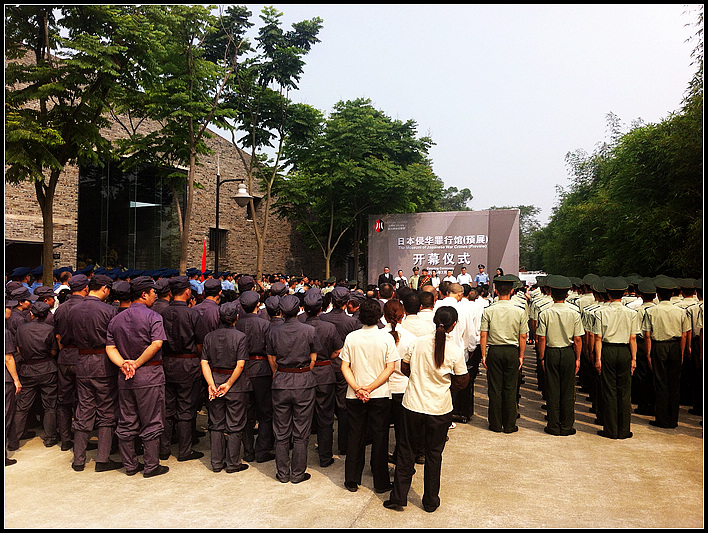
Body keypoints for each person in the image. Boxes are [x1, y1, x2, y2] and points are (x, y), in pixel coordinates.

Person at [384, 306, 469, 513]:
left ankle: (398, 497)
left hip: (412, 404)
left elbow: (405, 367)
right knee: (434, 454)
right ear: (454, 325)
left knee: (406, 450)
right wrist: (444, 385)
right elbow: (462, 381)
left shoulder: (417, 343)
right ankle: (430, 500)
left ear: (434, 321)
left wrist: (417, 378)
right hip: (439, 408)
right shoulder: (455, 351)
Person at [106, 276, 169, 478]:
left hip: (125, 376)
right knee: (151, 420)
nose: (155, 297)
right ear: (144, 294)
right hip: (149, 375)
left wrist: (124, 364)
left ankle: (130, 465)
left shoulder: (116, 319)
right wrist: (138, 363)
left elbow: (110, 347)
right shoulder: (153, 317)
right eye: (153, 293)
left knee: (127, 420)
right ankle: (151, 466)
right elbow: (157, 344)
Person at [340, 298, 399, 494]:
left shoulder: (352, 337)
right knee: (380, 437)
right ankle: (380, 481)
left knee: (355, 435)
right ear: (379, 316)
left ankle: (352, 479)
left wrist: (358, 388)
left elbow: (344, 366)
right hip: (380, 394)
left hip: (354, 395)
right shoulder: (386, 338)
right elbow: (390, 368)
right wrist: (371, 388)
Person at [67, 274, 123, 472]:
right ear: (105, 289)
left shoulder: (72, 310)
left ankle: (78, 459)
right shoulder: (109, 310)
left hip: (81, 360)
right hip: (103, 362)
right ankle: (102, 458)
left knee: (83, 408)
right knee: (107, 410)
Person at [266, 295, 319, 484]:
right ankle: (297, 473)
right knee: (301, 430)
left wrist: (278, 372)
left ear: (280, 311)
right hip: (303, 380)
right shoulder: (309, 330)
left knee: (280, 430)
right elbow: (313, 357)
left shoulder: (273, 331)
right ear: (299, 310)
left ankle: (282, 473)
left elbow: (271, 358)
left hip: (281, 380)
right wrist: (304, 370)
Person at [200, 301, 251, 473]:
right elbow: (240, 364)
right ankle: (233, 463)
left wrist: (211, 384)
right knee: (235, 424)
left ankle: (216, 462)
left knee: (216, 423)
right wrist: (228, 383)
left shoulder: (209, 336)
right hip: (235, 385)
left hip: (215, 380)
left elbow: (204, 362)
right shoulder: (240, 337)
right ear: (236, 317)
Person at [158, 276, 204, 462]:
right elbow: (200, 344)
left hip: (168, 362)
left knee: (168, 408)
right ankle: (185, 450)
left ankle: (164, 448)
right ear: (187, 292)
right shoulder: (193, 315)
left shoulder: (162, 313)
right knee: (186, 407)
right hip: (188, 363)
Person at [593, 277, 641, 439]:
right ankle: (624, 429)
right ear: (624, 293)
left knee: (609, 391)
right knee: (625, 390)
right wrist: (634, 358)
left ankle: (611, 429)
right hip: (625, 351)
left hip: (608, 350)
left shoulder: (601, 312)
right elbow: (633, 338)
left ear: (607, 293)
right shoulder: (631, 313)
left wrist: (598, 359)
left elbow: (598, 338)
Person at [536, 275, 584, 436]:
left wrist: (542, 357)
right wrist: (578, 358)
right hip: (568, 352)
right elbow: (577, 339)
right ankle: (567, 425)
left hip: (552, 352)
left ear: (550, 293)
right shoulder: (574, 313)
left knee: (553, 389)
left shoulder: (545, 313)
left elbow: (541, 338)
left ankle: (553, 425)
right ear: (567, 294)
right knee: (568, 390)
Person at [480, 274, 529, 433]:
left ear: (495, 289)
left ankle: (495, 423)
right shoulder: (519, 310)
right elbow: (523, 336)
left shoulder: (488, 310)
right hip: (512, 351)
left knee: (494, 388)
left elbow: (483, 334)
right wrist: (521, 355)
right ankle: (509, 425)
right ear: (513, 290)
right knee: (510, 388)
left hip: (494, 350)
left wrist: (483, 355)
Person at [642, 275, 691, 429]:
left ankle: (661, 419)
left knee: (660, 382)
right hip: (675, 346)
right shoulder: (681, 311)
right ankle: (673, 419)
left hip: (659, 346)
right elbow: (684, 334)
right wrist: (681, 352)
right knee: (674, 383)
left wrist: (649, 354)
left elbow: (648, 335)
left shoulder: (651, 311)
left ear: (657, 294)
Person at [302, 289, 343, 468]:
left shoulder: (300, 325)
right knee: (326, 416)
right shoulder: (328, 327)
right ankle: (325, 457)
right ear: (321, 308)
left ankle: (299, 458)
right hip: (325, 372)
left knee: (302, 416)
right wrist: (328, 359)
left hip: (304, 373)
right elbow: (337, 350)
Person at [235, 290, 275, 464]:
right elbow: (271, 348)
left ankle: (249, 451)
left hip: (242, 370)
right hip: (261, 370)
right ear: (258, 305)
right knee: (266, 412)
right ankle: (262, 450)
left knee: (246, 413)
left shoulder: (236, 325)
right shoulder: (265, 324)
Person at [12, 302, 60, 449]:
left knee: (22, 406)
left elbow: (18, 349)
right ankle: (50, 438)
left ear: (31, 314)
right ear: (46, 315)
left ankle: (13, 440)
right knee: (50, 405)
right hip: (47, 369)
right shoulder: (50, 329)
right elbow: (53, 352)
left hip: (27, 369)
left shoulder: (21, 329)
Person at [383, 299, 417, 465]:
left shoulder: (378, 335)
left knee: (380, 431)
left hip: (381, 389)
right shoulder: (411, 338)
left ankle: (379, 464)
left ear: (384, 315)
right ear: (403, 315)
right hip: (403, 388)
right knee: (402, 432)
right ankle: (402, 462)